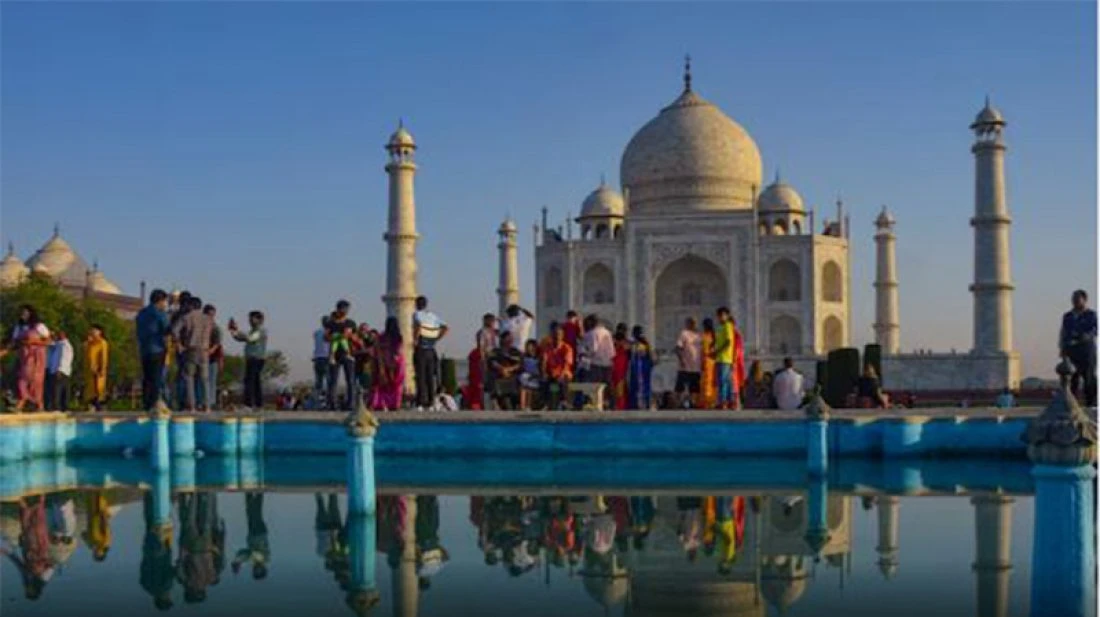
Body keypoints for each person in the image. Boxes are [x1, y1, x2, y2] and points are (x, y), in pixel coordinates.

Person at [172, 297, 212, 412]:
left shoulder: (186, 317)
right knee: (205, 380)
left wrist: (179, 344)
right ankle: (207, 406)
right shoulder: (208, 319)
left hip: (191, 350)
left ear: (191, 305)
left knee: (189, 378)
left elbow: (175, 330)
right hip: (204, 351)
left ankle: (192, 406)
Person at [1060, 289, 1097, 406]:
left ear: (1084, 300)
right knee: (1072, 378)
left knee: (1089, 377)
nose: (1075, 302)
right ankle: (1072, 404)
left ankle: (1091, 404)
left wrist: (1086, 336)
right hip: (1071, 350)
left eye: (1077, 299)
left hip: (1086, 350)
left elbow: (1095, 329)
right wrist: (1063, 348)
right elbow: (1064, 333)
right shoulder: (1068, 316)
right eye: (1073, 299)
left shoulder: (1091, 315)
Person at [136, 289, 171, 411]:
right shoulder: (160, 314)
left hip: (144, 349)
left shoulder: (141, 313)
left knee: (147, 378)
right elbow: (167, 329)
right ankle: (154, 403)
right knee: (156, 377)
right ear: (160, 301)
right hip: (157, 348)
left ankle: (146, 403)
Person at [412, 296, 449, 409]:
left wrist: (415, 339)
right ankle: (430, 402)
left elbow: (418, 325)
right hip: (431, 349)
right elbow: (446, 327)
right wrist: (436, 338)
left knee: (420, 376)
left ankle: (420, 403)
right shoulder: (433, 316)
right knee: (430, 376)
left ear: (417, 304)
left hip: (421, 349)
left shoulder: (417, 314)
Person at [11, 305, 50, 412]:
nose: (23, 315)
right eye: (22, 312)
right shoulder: (18, 327)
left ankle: (36, 403)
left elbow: (48, 341)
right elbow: (14, 343)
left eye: (25, 312)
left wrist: (33, 342)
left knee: (35, 380)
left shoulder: (38, 326)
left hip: (36, 357)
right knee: (23, 378)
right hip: (23, 357)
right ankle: (25, 401)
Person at [229, 311, 268, 409]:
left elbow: (250, 339)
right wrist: (233, 331)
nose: (250, 320)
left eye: (252, 318)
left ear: (259, 319)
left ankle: (248, 404)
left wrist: (238, 330)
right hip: (252, 358)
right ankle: (258, 404)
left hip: (256, 358)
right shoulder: (253, 330)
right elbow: (240, 338)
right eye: (250, 318)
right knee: (255, 381)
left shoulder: (261, 330)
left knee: (250, 381)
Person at [324, 300, 358, 411]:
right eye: (344, 309)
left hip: (348, 354)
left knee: (350, 380)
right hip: (335, 355)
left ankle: (351, 404)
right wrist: (337, 336)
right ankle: (332, 404)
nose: (346, 311)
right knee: (333, 381)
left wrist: (350, 336)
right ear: (338, 309)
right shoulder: (331, 323)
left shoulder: (351, 323)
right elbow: (326, 338)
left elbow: (357, 340)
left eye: (347, 309)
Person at [231, 493, 270, 580]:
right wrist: (239, 561)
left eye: (255, 571)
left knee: (251, 512)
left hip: (252, 534)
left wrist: (237, 561)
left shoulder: (254, 561)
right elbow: (253, 553)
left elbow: (243, 552)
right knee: (255, 512)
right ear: (263, 569)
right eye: (258, 571)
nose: (256, 569)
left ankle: (249, 493)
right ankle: (259, 493)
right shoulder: (265, 559)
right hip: (259, 533)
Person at [371, 317, 405, 411]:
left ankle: (379, 404)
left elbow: (377, 351)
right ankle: (394, 404)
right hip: (397, 363)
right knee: (396, 385)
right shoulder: (398, 337)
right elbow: (398, 351)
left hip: (383, 362)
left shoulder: (381, 337)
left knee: (382, 385)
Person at [540, 322, 574, 410]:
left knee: (561, 379)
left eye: (559, 334)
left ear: (562, 336)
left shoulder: (567, 348)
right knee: (545, 380)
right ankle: (546, 402)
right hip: (551, 373)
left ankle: (564, 401)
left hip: (563, 373)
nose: (557, 336)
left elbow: (566, 364)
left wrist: (561, 374)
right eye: (555, 334)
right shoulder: (547, 347)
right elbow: (544, 361)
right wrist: (543, 372)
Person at [488, 331, 523, 410]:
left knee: (519, 381)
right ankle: (495, 403)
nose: (510, 340)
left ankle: (517, 405)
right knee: (492, 379)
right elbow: (492, 362)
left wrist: (509, 369)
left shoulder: (515, 351)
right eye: (508, 338)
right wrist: (502, 369)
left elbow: (519, 364)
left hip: (512, 374)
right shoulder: (495, 351)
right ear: (502, 339)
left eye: (511, 338)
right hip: (499, 373)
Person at [713, 307, 738, 410]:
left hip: (725, 358)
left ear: (727, 316)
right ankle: (729, 401)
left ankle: (723, 402)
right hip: (720, 358)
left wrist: (717, 351)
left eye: (722, 315)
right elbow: (718, 342)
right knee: (724, 381)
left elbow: (728, 342)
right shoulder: (720, 328)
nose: (720, 317)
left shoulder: (728, 326)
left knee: (723, 381)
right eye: (719, 315)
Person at [675, 318, 702, 408]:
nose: (693, 325)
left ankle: (693, 403)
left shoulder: (699, 335)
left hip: (696, 366)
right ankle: (678, 403)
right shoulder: (684, 334)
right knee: (681, 386)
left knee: (694, 387)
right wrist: (681, 360)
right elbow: (678, 348)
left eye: (694, 323)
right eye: (691, 323)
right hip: (685, 365)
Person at [582, 315, 615, 391]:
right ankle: (610, 402)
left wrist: (585, 354)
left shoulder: (591, 333)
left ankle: (597, 402)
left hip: (596, 364)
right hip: (608, 363)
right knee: (608, 386)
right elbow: (612, 351)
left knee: (596, 387)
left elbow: (593, 349)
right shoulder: (607, 332)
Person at [628, 326, 655, 409]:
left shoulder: (639, 345)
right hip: (642, 369)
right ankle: (645, 404)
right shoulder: (645, 344)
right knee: (643, 387)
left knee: (639, 387)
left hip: (639, 369)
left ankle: (639, 404)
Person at [84, 325, 109, 411]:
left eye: (94, 330)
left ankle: (100, 405)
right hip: (90, 370)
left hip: (98, 368)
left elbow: (104, 356)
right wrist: (88, 343)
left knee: (99, 388)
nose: (92, 332)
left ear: (100, 332)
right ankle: (91, 404)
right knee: (90, 389)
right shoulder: (89, 344)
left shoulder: (102, 342)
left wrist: (102, 368)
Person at [45, 332, 73, 411]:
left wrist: (60, 369)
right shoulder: (58, 345)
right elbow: (50, 344)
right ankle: (56, 407)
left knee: (58, 390)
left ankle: (59, 407)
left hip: (61, 371)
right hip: (54, 371)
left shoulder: (65, 345)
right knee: (55, 390)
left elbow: (65, 358)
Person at [204, 305, 223, 409]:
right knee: (203, 380)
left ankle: (211, 402)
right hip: (202, 357)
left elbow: (218, 344)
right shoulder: (201, 326)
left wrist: (212, 351)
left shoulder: (215, 328)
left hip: (212, 358)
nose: (211, 317)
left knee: (211, 380)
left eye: (212, 315)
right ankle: (204, 401)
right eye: (209, 315)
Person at [476, 313, 498, 409]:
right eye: (492, 321)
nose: (493, 323)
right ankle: (488, 403)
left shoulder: (494, 332)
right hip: (488, 357)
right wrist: (482, 360)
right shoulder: (483, 332)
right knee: (487, 381)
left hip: (495, 356)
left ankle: (495, 402)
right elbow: (481, 347)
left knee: (494, 380)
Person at [518, 339, 541, 410]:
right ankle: (522, 406)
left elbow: (540, 371)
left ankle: (528, 406)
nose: (530, 349)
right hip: (525, 376)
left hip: (535, 377)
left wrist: (534, 375)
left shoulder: (538, 357)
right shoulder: (524, 357)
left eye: (532, 347)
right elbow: (521, 368)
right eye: (528, 347)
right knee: (524, 387)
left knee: (529, 387)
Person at [699, 318, 717, 409]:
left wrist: (702, 361)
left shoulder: (706, 336)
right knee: (711, 381)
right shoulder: (714, 335)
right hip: (712, 361)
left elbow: (703, 350)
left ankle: (707, 401)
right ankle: (711, 401)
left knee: (706, 381)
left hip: (707, 360)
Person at [610, 331, 630, 410]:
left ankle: (620, 407)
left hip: (620, 375)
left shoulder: (623, 350)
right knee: (615, 392)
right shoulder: (614, 349)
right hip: (615, 374)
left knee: (620, 394)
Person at [312, 316, 329, 401]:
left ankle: (317, 401)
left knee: (319, 381)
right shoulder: (330, 332)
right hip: (327, 358)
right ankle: (328, 401)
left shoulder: (317, 332)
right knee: (329, 380)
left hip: (317, 358)